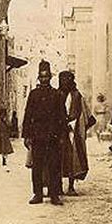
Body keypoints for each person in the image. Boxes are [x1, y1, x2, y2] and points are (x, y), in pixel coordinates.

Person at [22, 60, 67, 206]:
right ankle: (38, 194)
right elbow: (28, 115)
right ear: (38, 78)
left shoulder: (56, 94)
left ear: (50, 77)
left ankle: (54, 195)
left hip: (53, 135)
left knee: (54, 166)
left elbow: (62, 116)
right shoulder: (33, 95)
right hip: (37, 135)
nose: (44, 79)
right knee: (37, 166)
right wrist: (26, 135)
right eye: (41, 77)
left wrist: (61, 136)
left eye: (46, 77)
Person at [63, 71, 95, 195]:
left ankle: (71, 186)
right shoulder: (57, 94)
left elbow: (85, 116)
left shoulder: (77, 96)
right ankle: (58, 186)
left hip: (74, 130)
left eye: (67, 80)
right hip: (60, 131)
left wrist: (75, 125)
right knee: (59, 158)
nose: (65, 82)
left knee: (73, 158)